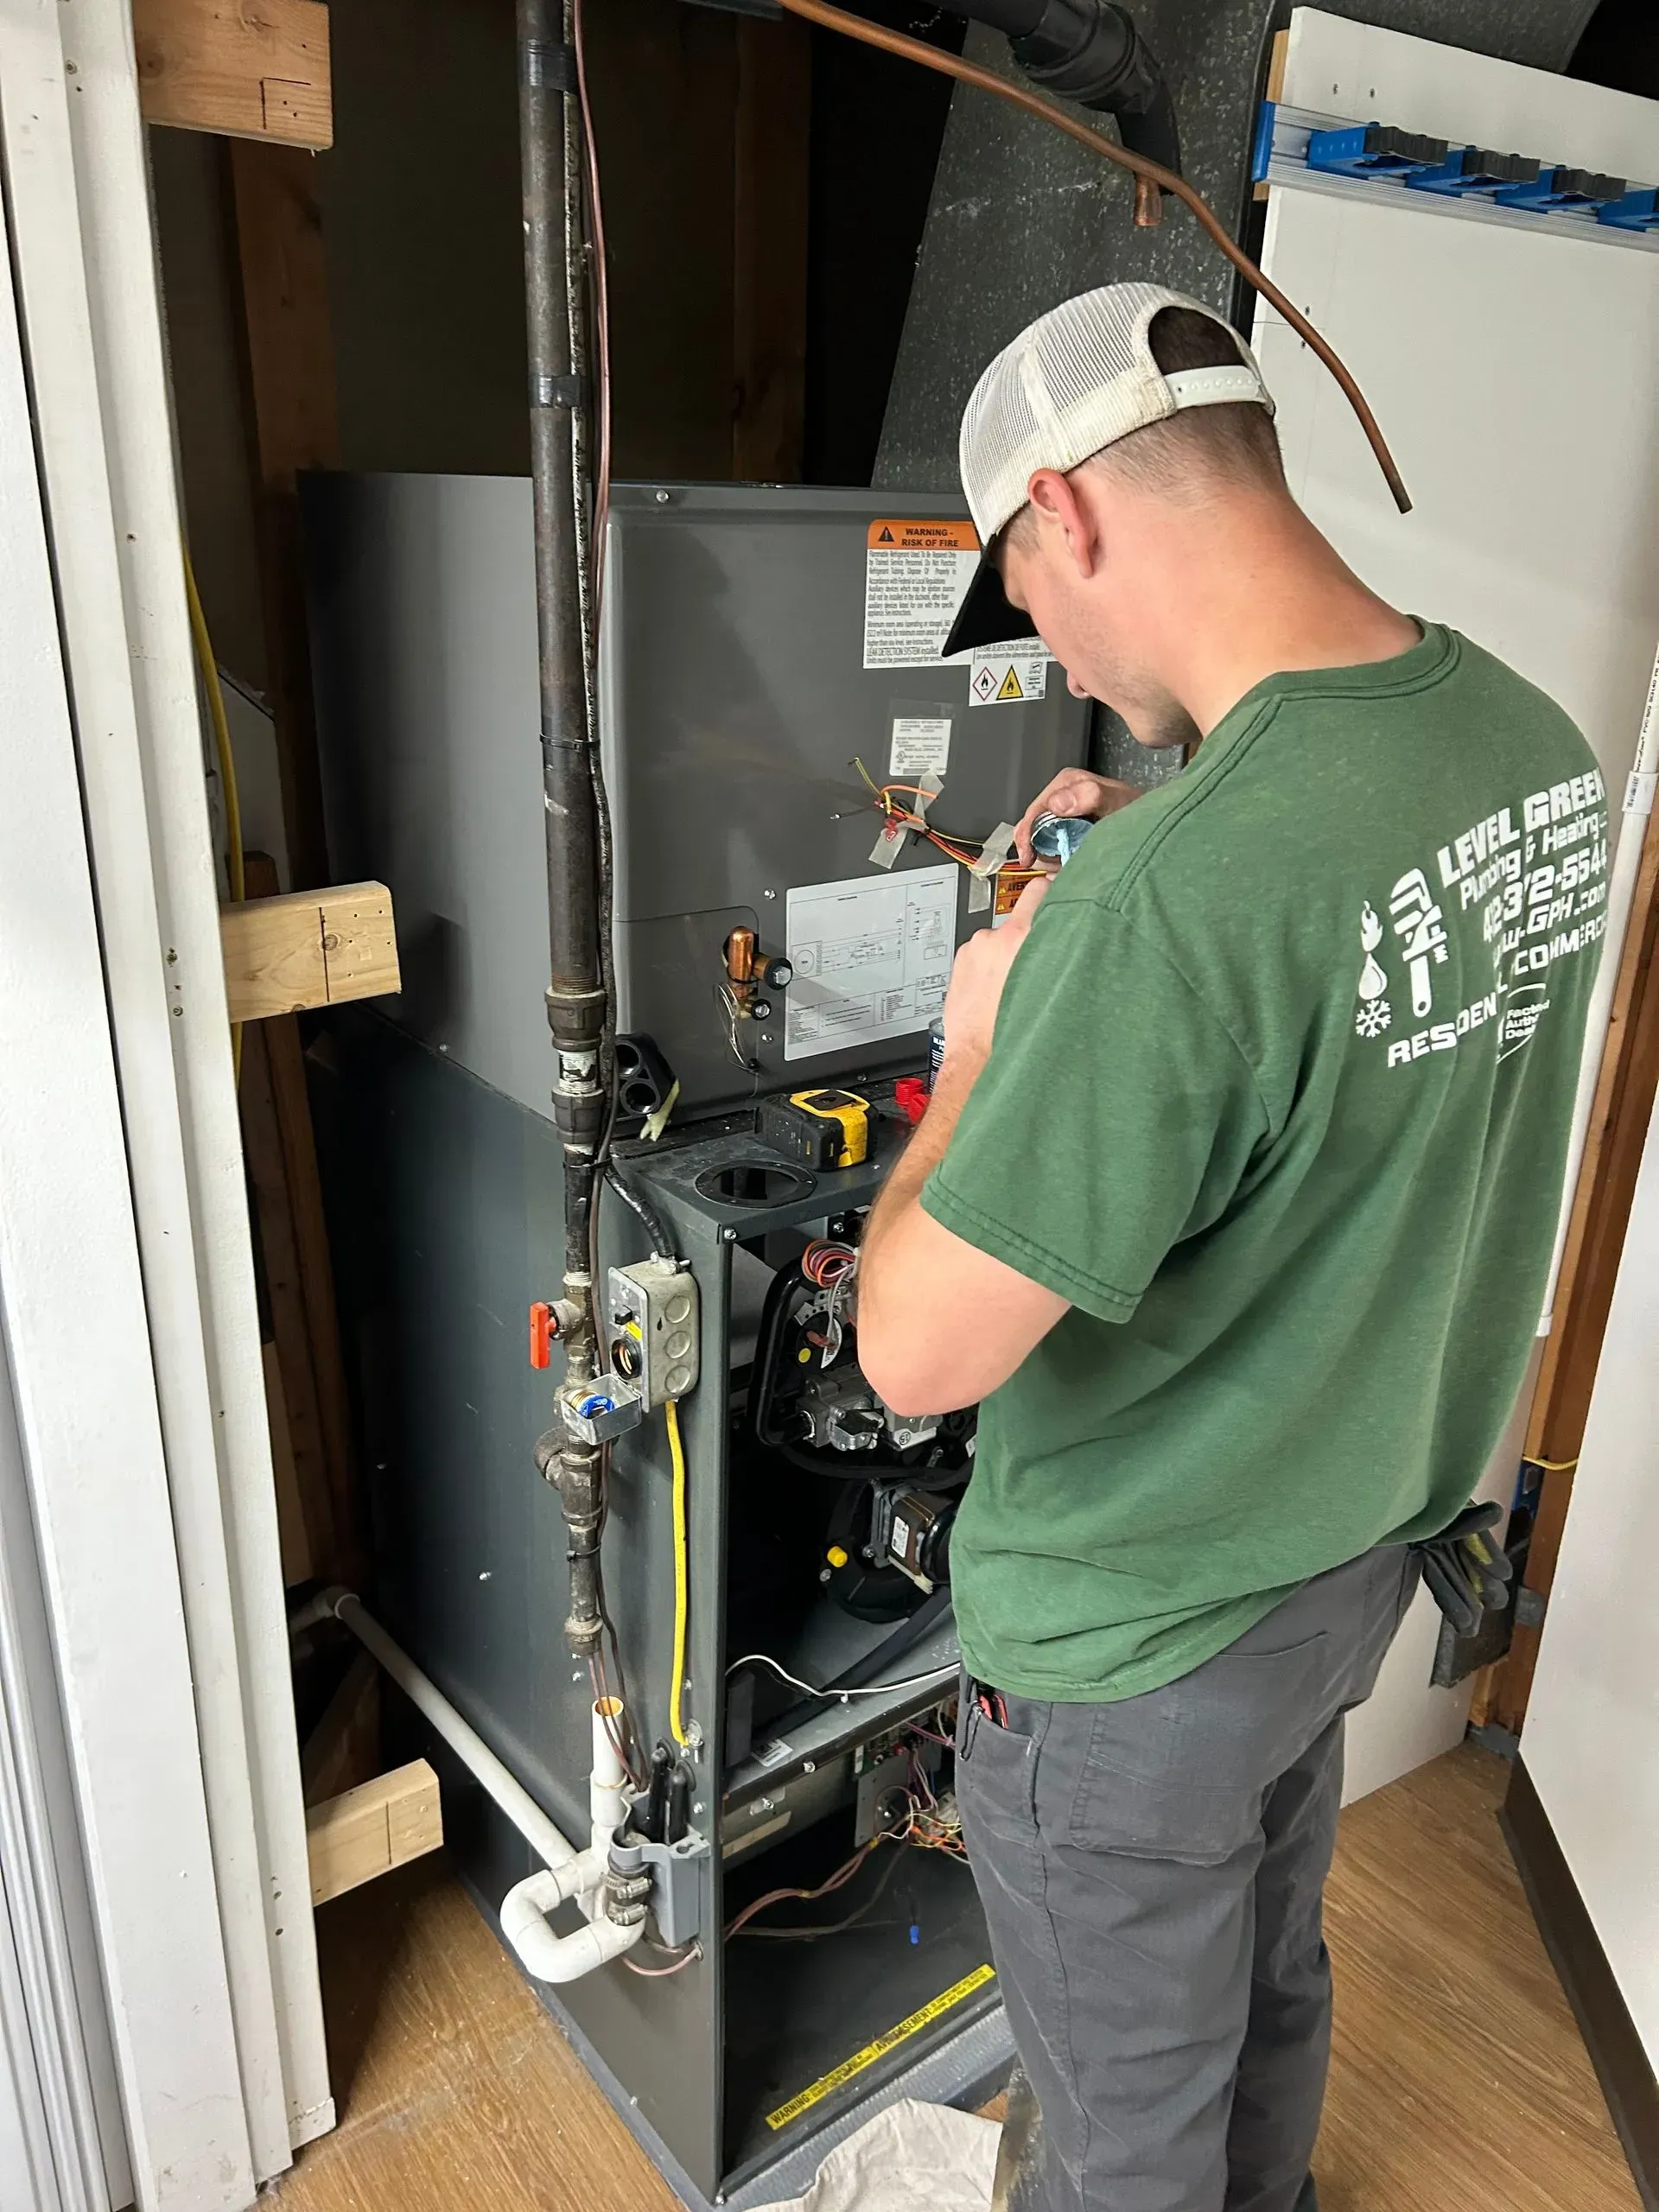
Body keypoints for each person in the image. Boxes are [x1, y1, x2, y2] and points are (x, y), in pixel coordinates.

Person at [855, 283, 1605, 2212]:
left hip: (1131, 1649)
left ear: (1067, 517)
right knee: (1264, 1990)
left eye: (1032, 595)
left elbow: (911, 1354)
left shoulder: (1171, 917)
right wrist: (1167, 846)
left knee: (1119, 2130)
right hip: (1343, 1564)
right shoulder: (1523, 744)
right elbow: (1339, 936)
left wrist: (975, 1056)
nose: (1061, 646)